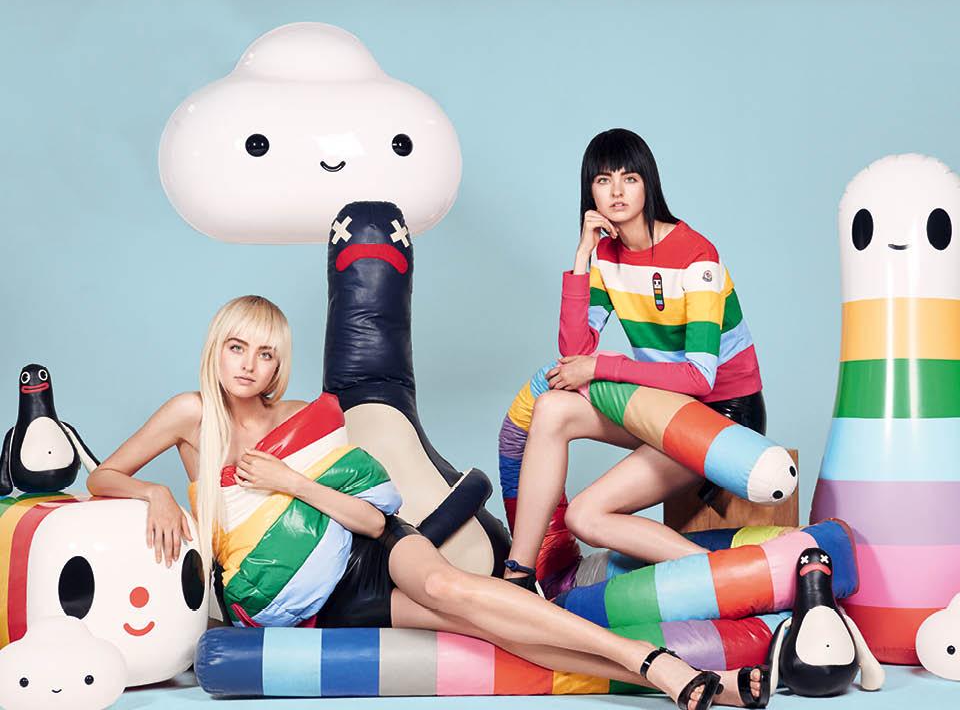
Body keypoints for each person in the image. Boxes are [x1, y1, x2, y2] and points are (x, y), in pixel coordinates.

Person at [87, 295, 769, 710]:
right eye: (237, 348)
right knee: (493, 632)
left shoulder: (304, 417)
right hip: (317, 600)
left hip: (371, 548)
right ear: (217, 349)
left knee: (450, 586)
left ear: (279, 363)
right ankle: (690, 680)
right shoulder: (190, 415)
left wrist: (292, 482)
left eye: (265, 354)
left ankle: (657, 663)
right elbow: (104, 475)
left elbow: (370, 517)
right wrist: (154, 491)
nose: (248, 364)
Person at [504, 129, 767, 586]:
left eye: (629, 178)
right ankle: (520, 574)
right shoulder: (606, 255)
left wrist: (600, 367)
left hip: (721, 415)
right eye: (603, 180)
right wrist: (582, 257)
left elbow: (700, 377)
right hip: (665, 405)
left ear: (648, 184)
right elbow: (575, 352)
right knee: (551, 408)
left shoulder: (697, 256)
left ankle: (730, 579)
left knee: (584, 516)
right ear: (590, 192)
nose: (617, 192)